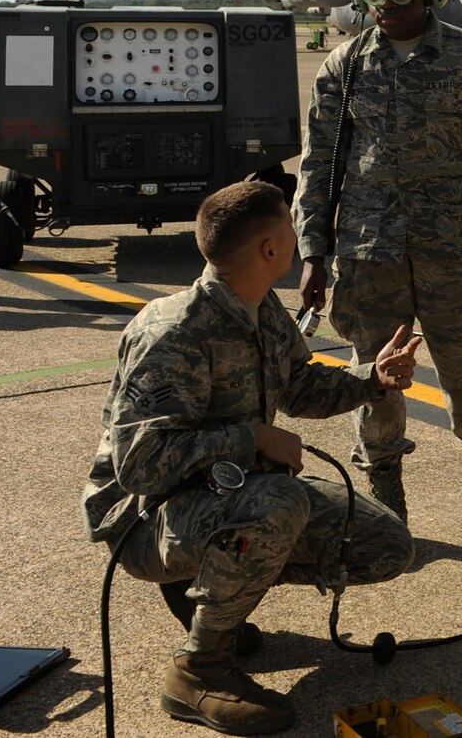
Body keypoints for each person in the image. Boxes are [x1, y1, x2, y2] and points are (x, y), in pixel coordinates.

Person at [82, 179, 421, 736]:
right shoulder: (175, 332)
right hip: (143, 519)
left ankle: (214, 593)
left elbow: (300, 388)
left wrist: (373, 380)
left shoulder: (261, 310)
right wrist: (255, 438)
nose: (297, 237)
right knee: (279, 503)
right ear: (269, 249)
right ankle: (198, 670)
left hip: (218, 495)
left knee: (385, 545)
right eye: (290, 228)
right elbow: (140, 465)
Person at [294, 0, 462, 541]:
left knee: (461, 365)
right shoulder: (345, 65)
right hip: (367, 250)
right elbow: (319, 161)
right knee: (373, 374)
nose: (386, 4)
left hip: (448, 247)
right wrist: (312, 251)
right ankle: (385, 498)